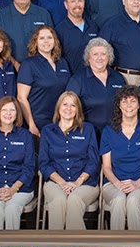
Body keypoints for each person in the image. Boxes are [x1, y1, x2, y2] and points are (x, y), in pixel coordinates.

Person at [100, 86, 140, 230]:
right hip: (113, 184)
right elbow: (106, 167)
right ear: (119, 105)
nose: (128, 105)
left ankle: (135, 242)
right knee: (119, 199)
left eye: (133, 101)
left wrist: (137, 183)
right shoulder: (108, 131)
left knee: (133, 200)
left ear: (139, 105)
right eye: (124, 101)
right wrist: (117, 184)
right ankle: (116, 241)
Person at [39, 91, 100, 230]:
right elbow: (44, 163)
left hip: (85, 183)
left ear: (78, 109)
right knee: (59, 199)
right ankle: (57, 241)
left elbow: (93, 161)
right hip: (55, 182)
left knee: (74, 200)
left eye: (73, 105)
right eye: (65, 104)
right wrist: (61, 182)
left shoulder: (88, 129)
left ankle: (75, 242)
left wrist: (78, 182)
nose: (68, 108)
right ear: (58, 107)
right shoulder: (47, 131)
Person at [0, 97, 36, 230]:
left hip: (21, 188)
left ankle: (12, 243)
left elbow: (29, 168)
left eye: (12, 110)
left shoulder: (26, 136)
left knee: (12, 208)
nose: (8, 113)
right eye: (4, 110)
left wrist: (12, 189)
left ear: (17, 113)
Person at [16, 25, 71, 138]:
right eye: (41, 38)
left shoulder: (62, 63)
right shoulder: (29, 64)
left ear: (55, 41)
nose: (46, 41)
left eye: (49, 37)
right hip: (39, 123)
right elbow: (21, 97)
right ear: (35, 42)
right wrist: (31, 125)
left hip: (61, 121)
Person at [66, 37, 125, 134]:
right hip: (88, 133)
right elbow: (68, 108)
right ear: (88, 58)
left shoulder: (118, 78)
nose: (99, 58)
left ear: (109, 57)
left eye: (103, 54)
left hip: (115, 132)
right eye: (95, 54)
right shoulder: (77, 80)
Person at [0, 0, 53, 67]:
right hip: (9, 68)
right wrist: (15, 64)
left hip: (40, 67)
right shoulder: (0, 16)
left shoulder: (44, 14)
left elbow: (51, 42)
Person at [53, 0, 99, 76]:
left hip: (93, 78)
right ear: (66, 5)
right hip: (71, 79)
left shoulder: (93, 27)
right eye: (73, 1)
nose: (77, 5)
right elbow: (57, 59)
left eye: (80, 1)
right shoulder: (59, 31)